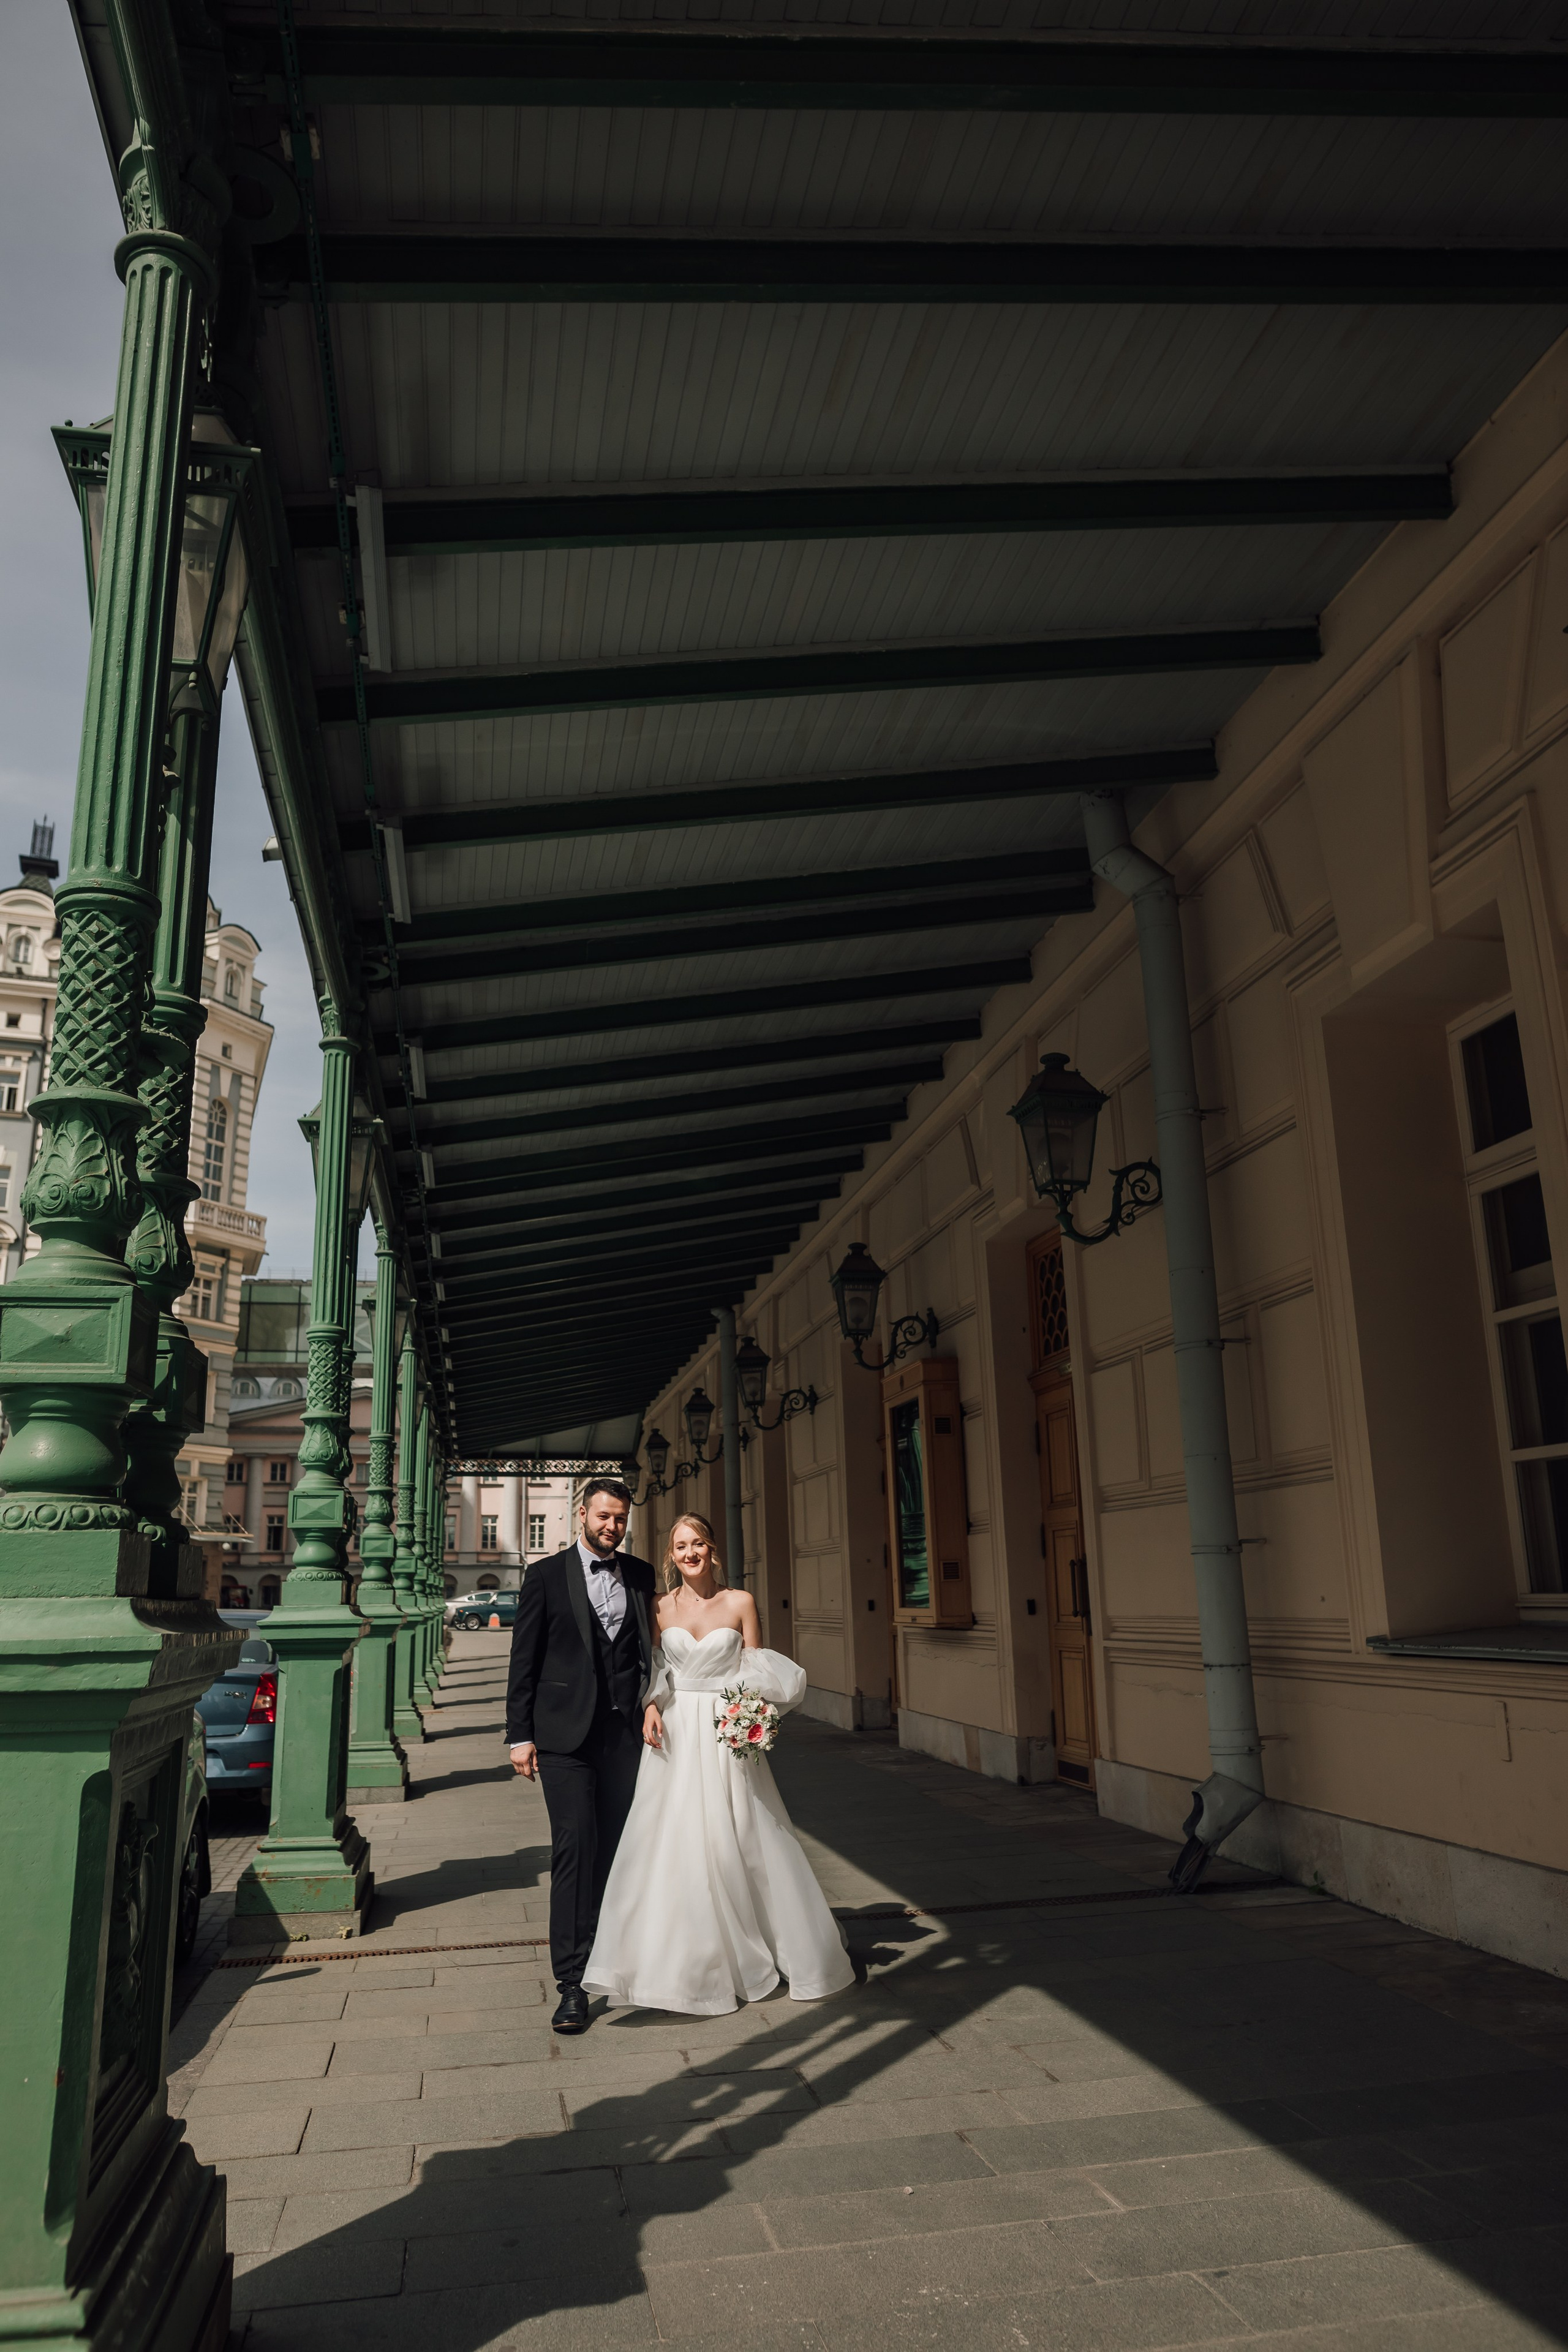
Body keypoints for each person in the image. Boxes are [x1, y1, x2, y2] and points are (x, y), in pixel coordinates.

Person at [583, 1511, 855, 2018]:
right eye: (681, 1546)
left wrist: (753, 1716)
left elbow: (758, 1670)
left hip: (727, 1732)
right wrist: (648, 1706)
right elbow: (657, 1669)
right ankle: (680, 1962)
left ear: (713, 1549)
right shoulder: (658, 1607)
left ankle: (774, 1945)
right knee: (672, 1839)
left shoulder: (740, 1602)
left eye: (699, 1544)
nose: (690, 1553)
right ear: (671, 1555)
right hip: (678, 1730)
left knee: (746, 1834)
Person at [506, 1478, 661, 2035]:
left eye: (620, 1519)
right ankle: (572, 1984)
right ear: (581, 1515)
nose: (611, 1527)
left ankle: (616, 1958)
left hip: (624, 1737)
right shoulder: (544, 1576)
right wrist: (518, 1735)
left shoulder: (642, 1575)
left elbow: (654, 1654)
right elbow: (524, 1660)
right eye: (603, 1517)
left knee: (619, 1851)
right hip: (563, 1738)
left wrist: (655, 1703)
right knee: (575, 1849)